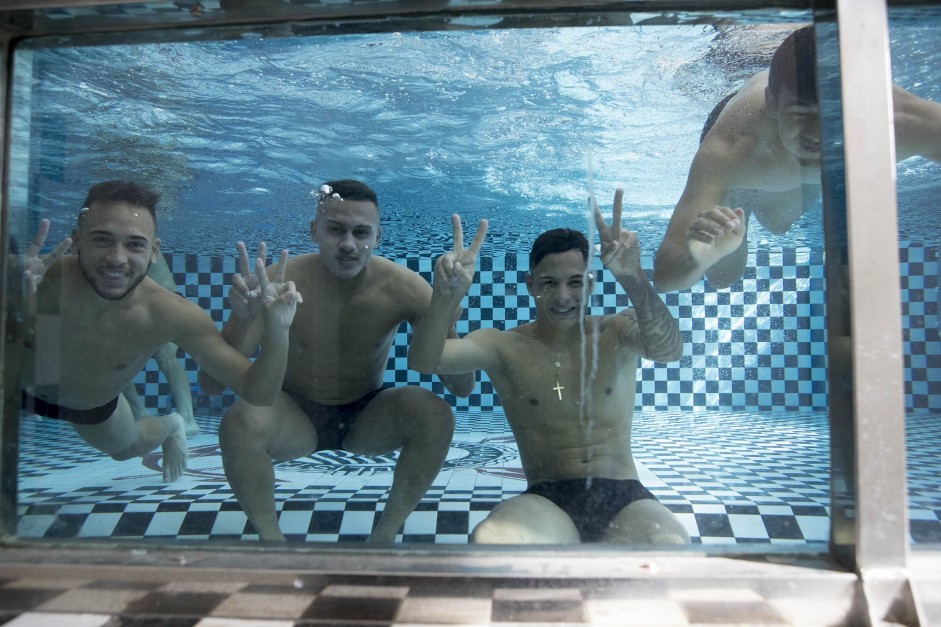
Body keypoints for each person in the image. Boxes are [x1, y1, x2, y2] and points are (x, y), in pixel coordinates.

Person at [200, 179, 475, 543]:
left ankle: (384, 536)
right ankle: (271, 541)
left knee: (436, 415)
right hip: (291, 413)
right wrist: (243, 317)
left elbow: (463, 386)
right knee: (239, 421)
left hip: (366, 415)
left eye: (361, 232)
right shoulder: (282, 282)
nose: (348, 244)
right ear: (314, 230)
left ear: (378, 237)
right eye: (336, 230)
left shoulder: (403, 287)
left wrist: (444, 311)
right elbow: (212, 383)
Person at [409, 189, 690, 544]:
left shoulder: (616, 332)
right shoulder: (503, 346)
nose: (562, 297)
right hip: (547, 499)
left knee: (668, 547)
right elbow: (424, 360)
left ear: (589, 283)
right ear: (530, 285)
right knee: (492, 541)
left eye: (575, 283)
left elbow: (669, 350)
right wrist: (445, 297)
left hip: (624, 497)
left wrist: (633, 276)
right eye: (548, 283)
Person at [21, 180, 300, 482]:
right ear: (76, 241)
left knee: (126, 448)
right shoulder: (35, 281)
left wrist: (277, 330)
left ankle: (171, 425)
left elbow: (259, 393)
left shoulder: (168, 313)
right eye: (102, 240)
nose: (117, 258)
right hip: (17, 390)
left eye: (135, 244)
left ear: (154, 251)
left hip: (91, 406)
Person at [653, 25, 941, 292]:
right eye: (800, 115)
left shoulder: (902, 122)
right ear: (773, 104)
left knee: (778, 223)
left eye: (835, 114)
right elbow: (665, 277)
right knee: (723, 275)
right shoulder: (733, 147)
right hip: (756, 147)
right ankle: (740, 196)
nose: (819, 135)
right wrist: (700, 257)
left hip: (778, 157)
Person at [120, 253, 199, 436]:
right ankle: (141, 413)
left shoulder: (136, 241)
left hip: (166, 301)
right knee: (119, 357)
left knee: (166, 357)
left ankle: (186, 417)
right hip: (149, 305)